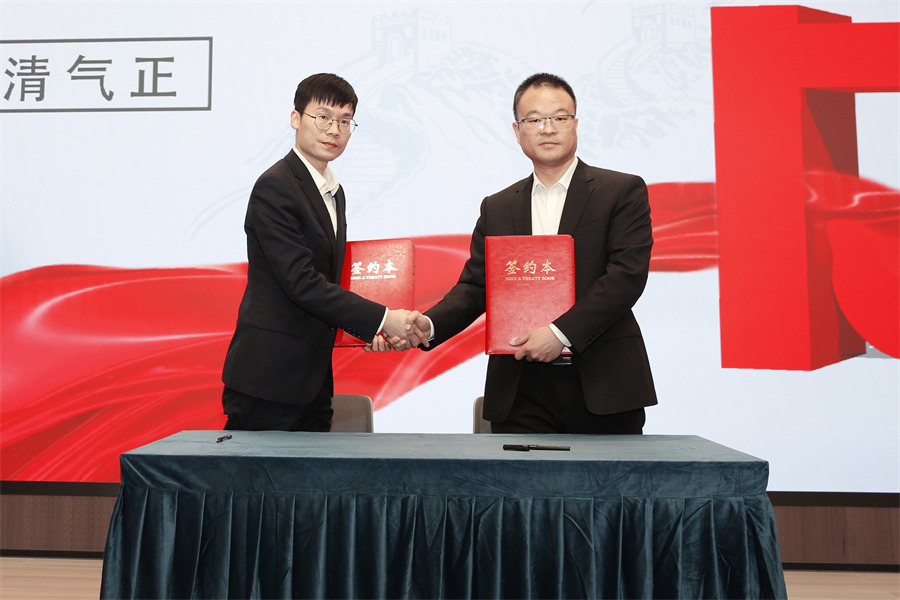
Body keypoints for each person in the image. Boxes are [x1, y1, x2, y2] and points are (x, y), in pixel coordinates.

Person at [405, 73, 657, 434]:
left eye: (559, 117)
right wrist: (428, 325)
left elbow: (625, 277)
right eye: (534, 119)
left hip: (603, 382)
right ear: (517, 130)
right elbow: (475, 287)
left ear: (575, 124)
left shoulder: (621, 191)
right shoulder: (497, 206)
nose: (547, 128)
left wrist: (559, 334)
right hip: (520, 386)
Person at [221, 73, 411, 432]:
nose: (334, 130)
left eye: (344, 121)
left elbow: (329, 281)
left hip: (313, 379)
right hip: (269, 379)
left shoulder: (332, 191)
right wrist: (383, 320)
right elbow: (303, 283)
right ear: (296, 119)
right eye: (323, 117)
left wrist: (366, 329)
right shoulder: (276, 187)